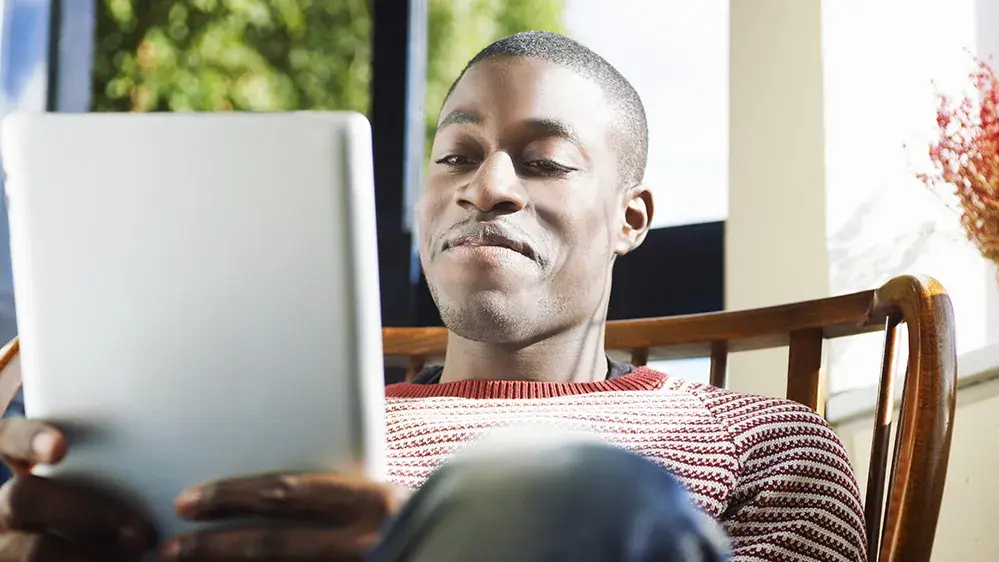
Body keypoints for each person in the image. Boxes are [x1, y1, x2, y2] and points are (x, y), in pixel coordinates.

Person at [0, 31, 865, 562]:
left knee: (581, 496)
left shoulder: (763, 441)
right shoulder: (291, 434)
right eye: (455, 155)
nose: (484, 186)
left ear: (630, 218)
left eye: (544, 160)